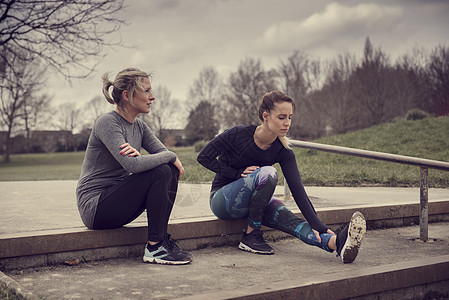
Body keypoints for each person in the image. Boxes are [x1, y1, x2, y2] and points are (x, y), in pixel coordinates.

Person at [197, 90, 366, 263]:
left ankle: (336, 243)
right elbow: (203, 157)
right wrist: (235, 173)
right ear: (266, 116)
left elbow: (297, 189)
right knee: (268, 173)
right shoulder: (237, 134)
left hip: (256, 203)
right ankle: (251, 234)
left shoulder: (283, 151)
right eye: (281, 117)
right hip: (222, 200)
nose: (287, 123)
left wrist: (318, 224)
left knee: (289, 218)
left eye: (290, 117)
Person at [76, 68, 192, 265]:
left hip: (118, 201)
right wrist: (166, 156)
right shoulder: (107, 123)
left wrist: (156, 158)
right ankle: (155, 248)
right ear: (127, 95)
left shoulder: (139, 126)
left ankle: (160, 240)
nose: (152, 97)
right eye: (146, 91)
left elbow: (163, 156)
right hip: (96, 207)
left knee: (167, 170)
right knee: (163, 169)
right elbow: (137, 163)